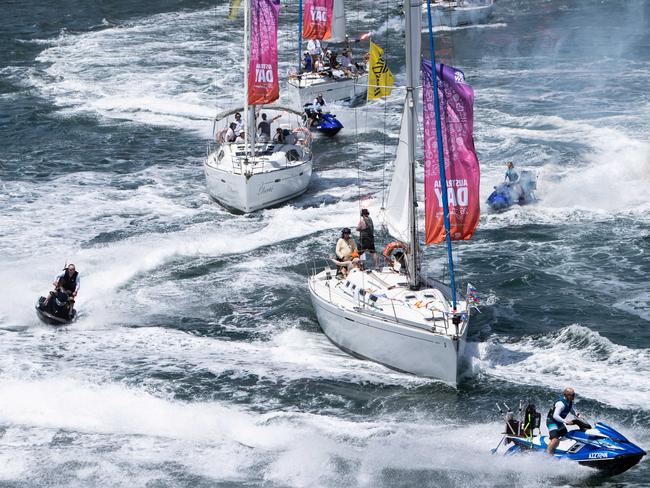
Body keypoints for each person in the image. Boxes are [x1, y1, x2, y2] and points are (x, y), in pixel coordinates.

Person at [546, 387, 580, 455]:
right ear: (566, 395)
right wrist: (565, 421)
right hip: (552, 422)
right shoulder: (560, 404)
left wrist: (576, 414)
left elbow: (571, 409)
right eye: (572, 395)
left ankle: (561, 450)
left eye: (574, 395)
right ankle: (548, 454)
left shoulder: (569, 402)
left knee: (567, 436)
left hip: (559, 422)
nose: (573, 396)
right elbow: (555, 416)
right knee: (555, 439)